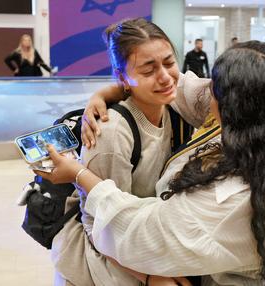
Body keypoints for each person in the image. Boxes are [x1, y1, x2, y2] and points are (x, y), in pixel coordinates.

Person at [37, 41, 265, 286]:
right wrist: (107, 92)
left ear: (234, 108)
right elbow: (182, 85)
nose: (164, 79)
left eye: (214, 91)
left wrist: (79, 174)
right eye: (148, 69)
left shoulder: (227, 202)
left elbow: (136, 234)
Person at [51, 18, 212, 286]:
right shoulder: (111, 133)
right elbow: (101, 223)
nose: (164, 77)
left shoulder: (175, 107)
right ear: (122, 76)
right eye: (148, 71)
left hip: (144, 241)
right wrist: (152, 276)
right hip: (102, 261)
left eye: (169, 63)